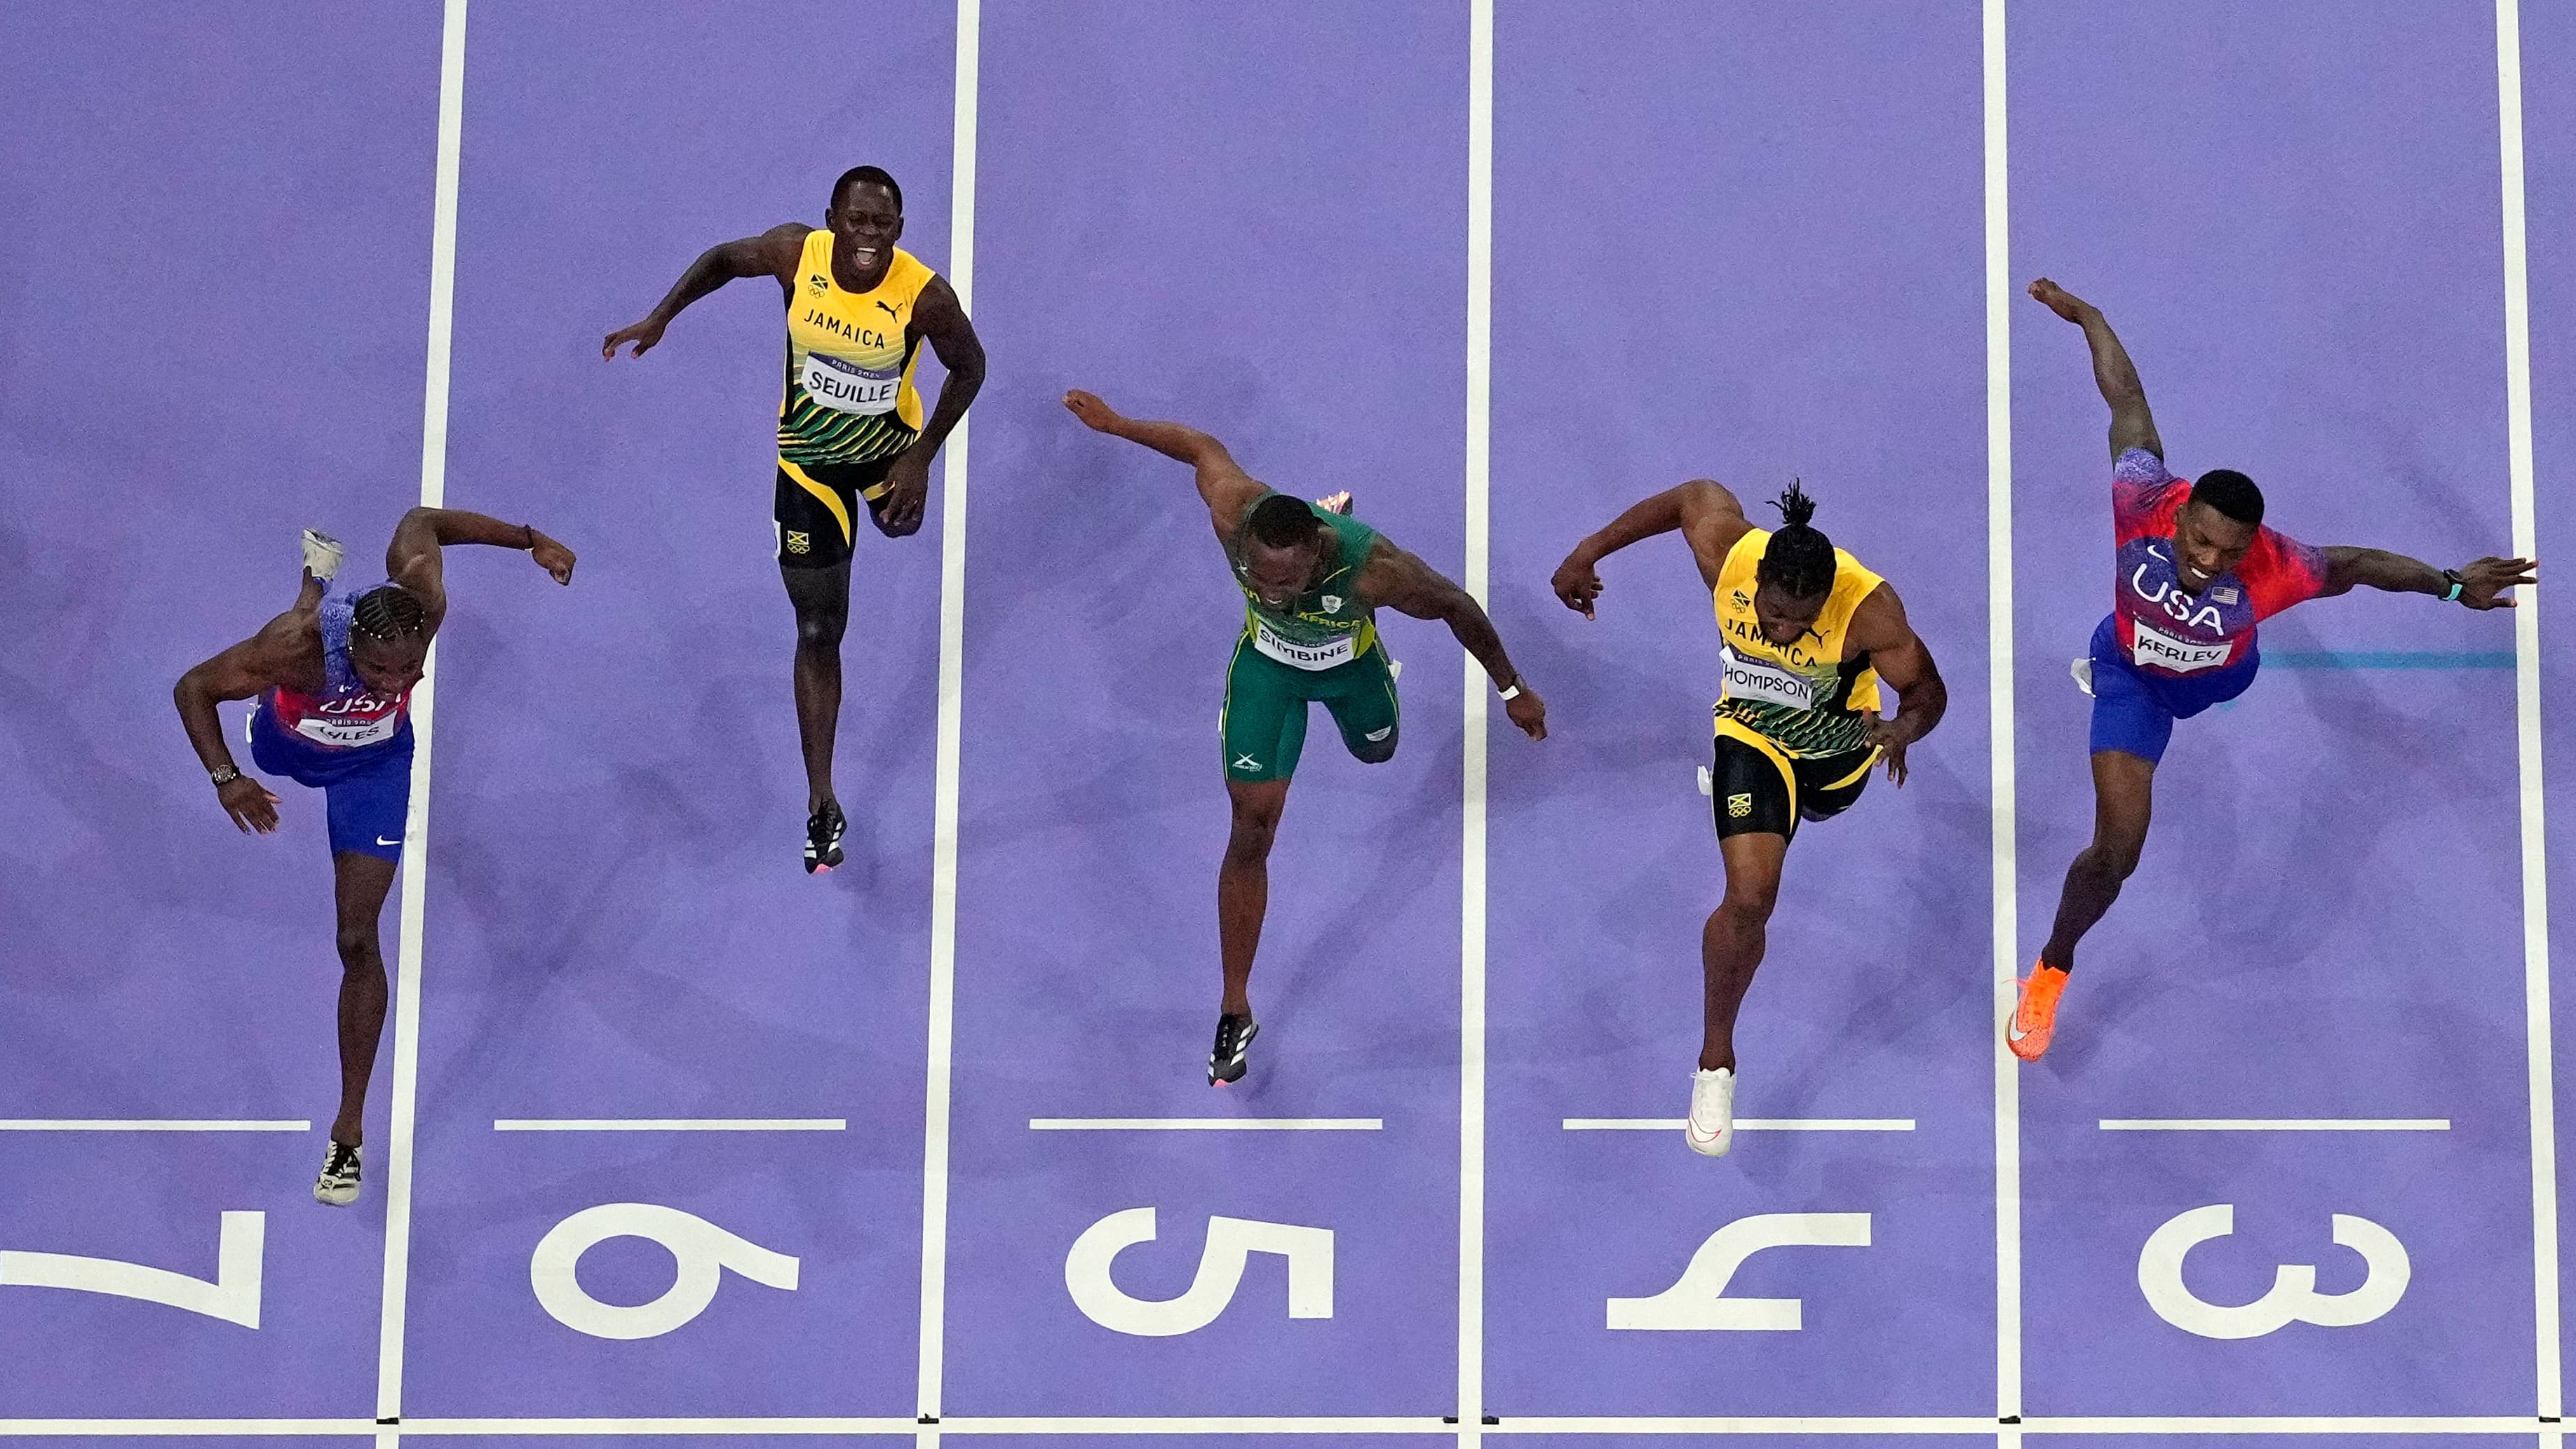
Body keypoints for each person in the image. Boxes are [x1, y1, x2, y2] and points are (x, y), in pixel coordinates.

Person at [2007, 278, 2532, 1060]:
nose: (2206, 561)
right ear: (2179, 516)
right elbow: (2126, 403)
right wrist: (2089, 317)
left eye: (2226, 552)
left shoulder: (2277, 565)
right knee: (2118, 850)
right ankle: (2052, 966)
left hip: (2217, 676)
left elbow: (2356, 564)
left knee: (2222, 679)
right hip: (2133, 677)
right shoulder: (2140, 497)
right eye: (2199, 542)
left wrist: (2451, 584)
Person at [1063, 388, 1549, 1084]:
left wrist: (1510, 689)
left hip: (1347, 665)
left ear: (1317, 549)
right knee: (1251, 826)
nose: (1267, 589)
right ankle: (1235, 1007)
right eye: (1256, 577)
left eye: (1284, 580)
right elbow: (1201, 448)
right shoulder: (1235, 510)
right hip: (1269, 670)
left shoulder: (1373, 568)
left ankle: (1356, 614)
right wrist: (1116, 425)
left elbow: (1453, 605)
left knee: (1377, 750)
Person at [173, 513, 576, 1204]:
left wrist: (530, 540)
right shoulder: (293, 652)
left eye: (409, 669)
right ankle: (311, 591)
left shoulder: (426, 599)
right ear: (351, 644)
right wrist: (227, 778)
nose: (394, 683)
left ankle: (347, 1135)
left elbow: (424, 523)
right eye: (377, 669)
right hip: (286, 741)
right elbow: (193, 688)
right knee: (291, 626)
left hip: (374, 769)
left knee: (357, 940)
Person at [603, 164, 986, 872]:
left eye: (883, 225)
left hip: (884, 456)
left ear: (898, 230)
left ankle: (886, 502)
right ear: (833, 218)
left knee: (900, 523)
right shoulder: (794, 254)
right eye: (857, 220)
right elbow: (723, 259)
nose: (868, 235)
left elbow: (970, 368)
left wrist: (922, 457)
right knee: (818, 627)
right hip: (807, 466)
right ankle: (821, 798)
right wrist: (661, 317)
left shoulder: (924, 296)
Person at [1555, 478, 1946, 1154]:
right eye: (1774, 611)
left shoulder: (1869, 610)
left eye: (1802, 619)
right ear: (1759, 577)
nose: (1784, 629)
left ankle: (1802, 804)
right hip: (1752, 737)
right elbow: (1691, 497)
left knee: (1815, 816)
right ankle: (1715, 1064)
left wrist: (1906, 728)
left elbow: (1926, 687)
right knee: (1750, 896)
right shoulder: (1730, 554)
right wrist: (1589, 551)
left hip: (1838, 757)